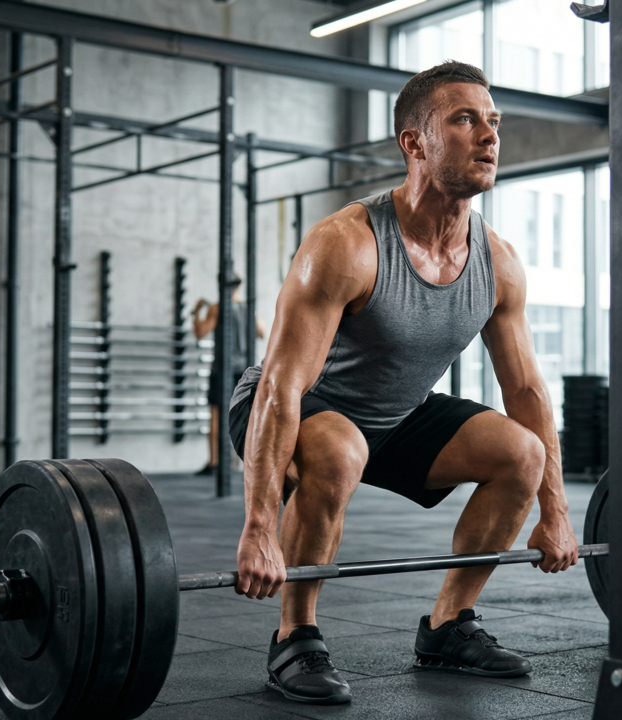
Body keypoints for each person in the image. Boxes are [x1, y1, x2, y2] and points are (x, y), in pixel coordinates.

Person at [226, 61, 579, 706]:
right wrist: (258, 525)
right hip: (295, 405)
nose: (490, 136)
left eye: (493, 121)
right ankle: (295, 635)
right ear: (413, 141)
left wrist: (555, 511)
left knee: (520, 453)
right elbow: (282, 385)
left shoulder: (497, 262)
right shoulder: (347, 244)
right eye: (465, 119)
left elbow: (526, 391)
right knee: (337, 449)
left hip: (395, 415)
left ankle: (448, 624)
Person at [192, 277, 264, 474]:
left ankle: (214, 462)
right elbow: (262, 332)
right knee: (245, 416)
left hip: (223, 369)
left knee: (216, 416)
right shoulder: (249, 309)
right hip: (245, 371)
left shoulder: (217, 308)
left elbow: (200, 332)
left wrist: (196, 312)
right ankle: (246, 462)